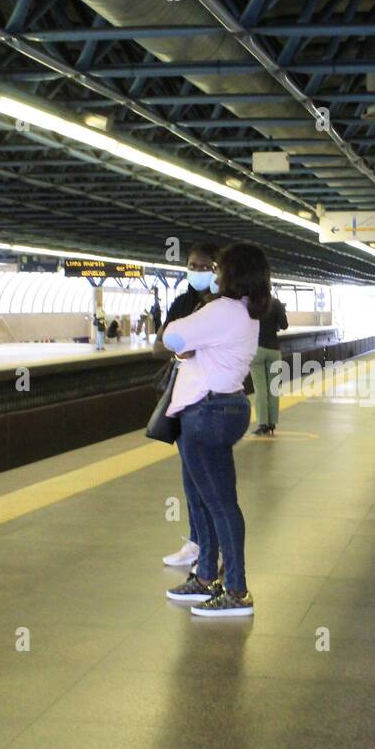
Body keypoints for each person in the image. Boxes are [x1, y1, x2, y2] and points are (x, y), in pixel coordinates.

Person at [161, 242, 267, 617]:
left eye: (221, 267)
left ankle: (236, 590)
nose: (216, 272)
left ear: (234, 273)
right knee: (204, 498)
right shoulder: (247, 314)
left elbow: (171, 336)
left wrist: (184, 348)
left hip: (206, 411)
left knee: (218, 503)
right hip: (222, 407)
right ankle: (205, 576)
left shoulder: (223, 310)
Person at [156, 244, 219, 569]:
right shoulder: (181, 301)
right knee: (190, 474)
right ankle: (197, 542)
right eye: (193, 264)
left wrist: (186, 345)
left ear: (216, 269)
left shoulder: (223, 304)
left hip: (211, 398)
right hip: (183, 393)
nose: (197, 270)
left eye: (204, 265)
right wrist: (181, 349)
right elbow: (159, 342)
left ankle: (212, 551)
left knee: (207, 477)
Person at [249, 294, 289, 436]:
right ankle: (272, 423)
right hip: (274, 349)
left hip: (257, 349)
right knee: (273, 388)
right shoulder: (276, 303)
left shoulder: (252, 303)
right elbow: (284, 325)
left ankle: (263, 423)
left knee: (260, 389)